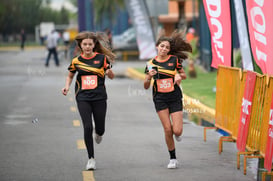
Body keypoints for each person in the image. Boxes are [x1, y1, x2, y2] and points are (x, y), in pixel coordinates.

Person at [62, 31, 115, 170]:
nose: (87, 46)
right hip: (83, 97)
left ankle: (99, 133)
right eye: (84, 44)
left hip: (99, 97)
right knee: (87, 126)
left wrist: (109, 73)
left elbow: (112, 76)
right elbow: (70, 76)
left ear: (94, 45)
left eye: (89, 44)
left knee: (100, 129)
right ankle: (91, 158)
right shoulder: (76, 61)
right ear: (80, 45)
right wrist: (66, 87)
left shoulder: (102, 59)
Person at [144, 30, 192, 169]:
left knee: (177, 131)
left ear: (169, 50)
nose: (164, 49)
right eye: (162, 46)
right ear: (157, 46)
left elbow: (183, 75)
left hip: (174, 97)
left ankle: (177, 134)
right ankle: (173, 158)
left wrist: (179, 76)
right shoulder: (150, 64)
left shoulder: (174, 61)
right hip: (159, 98)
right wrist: (148, 77)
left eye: (167, 47)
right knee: (167, 129)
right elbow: (146, 86)